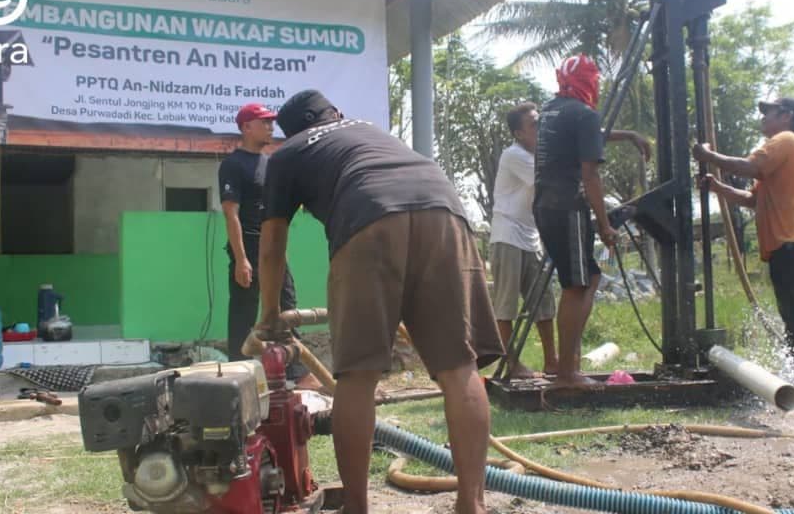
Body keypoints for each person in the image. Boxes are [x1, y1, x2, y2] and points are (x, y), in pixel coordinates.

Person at [254, 90, 504, 514]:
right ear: (336, 114)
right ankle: (471, 505)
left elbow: (272, 243)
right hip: (444, 212)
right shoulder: (370, 131)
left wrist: (269, 314)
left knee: (357, 374)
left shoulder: (287, 153)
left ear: (292, 130)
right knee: (458, 367)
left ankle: (356, 507)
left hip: (368, 220)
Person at [694, 97, 794, 399]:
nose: (764, 118)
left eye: (769, 113)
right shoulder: (779, 153)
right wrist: (717, 187)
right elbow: (753, 199)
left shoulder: (786, 140)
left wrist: (708, 155)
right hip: (783, 245)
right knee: (793, 319)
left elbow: (751, 166)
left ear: (787, 116)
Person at [533, 54, 652, 387]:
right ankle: (567, 374)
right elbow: (590, 174)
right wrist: (604, 224)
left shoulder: (551, 110)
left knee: (590, 278)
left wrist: (626, 134)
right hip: (568, 206)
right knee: (578, 286)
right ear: (590, 81)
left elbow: (585, 132)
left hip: (545, 205)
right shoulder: (583, 114)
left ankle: (566, 365)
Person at [217, 103, 316, 387]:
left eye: (272, 123)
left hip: (272, 247)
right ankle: (239, 375)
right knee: (244, 312)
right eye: (264, 122)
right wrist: (241, 259)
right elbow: (230, 213)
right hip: (247, 247)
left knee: (287, 307)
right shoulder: (233, 165)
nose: (272, 127)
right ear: (246, 127)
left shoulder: (270, 162)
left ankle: (297, 374)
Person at [489, 102, 559, 378]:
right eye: (534, 125)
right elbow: (548, 179)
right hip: (508, 236)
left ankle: (552, 362)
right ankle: (510, 364)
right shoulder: (514, 155)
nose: (541, 130)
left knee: (543, 304)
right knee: (506, 305)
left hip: (530, 237)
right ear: (519, 133)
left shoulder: (535, 155)